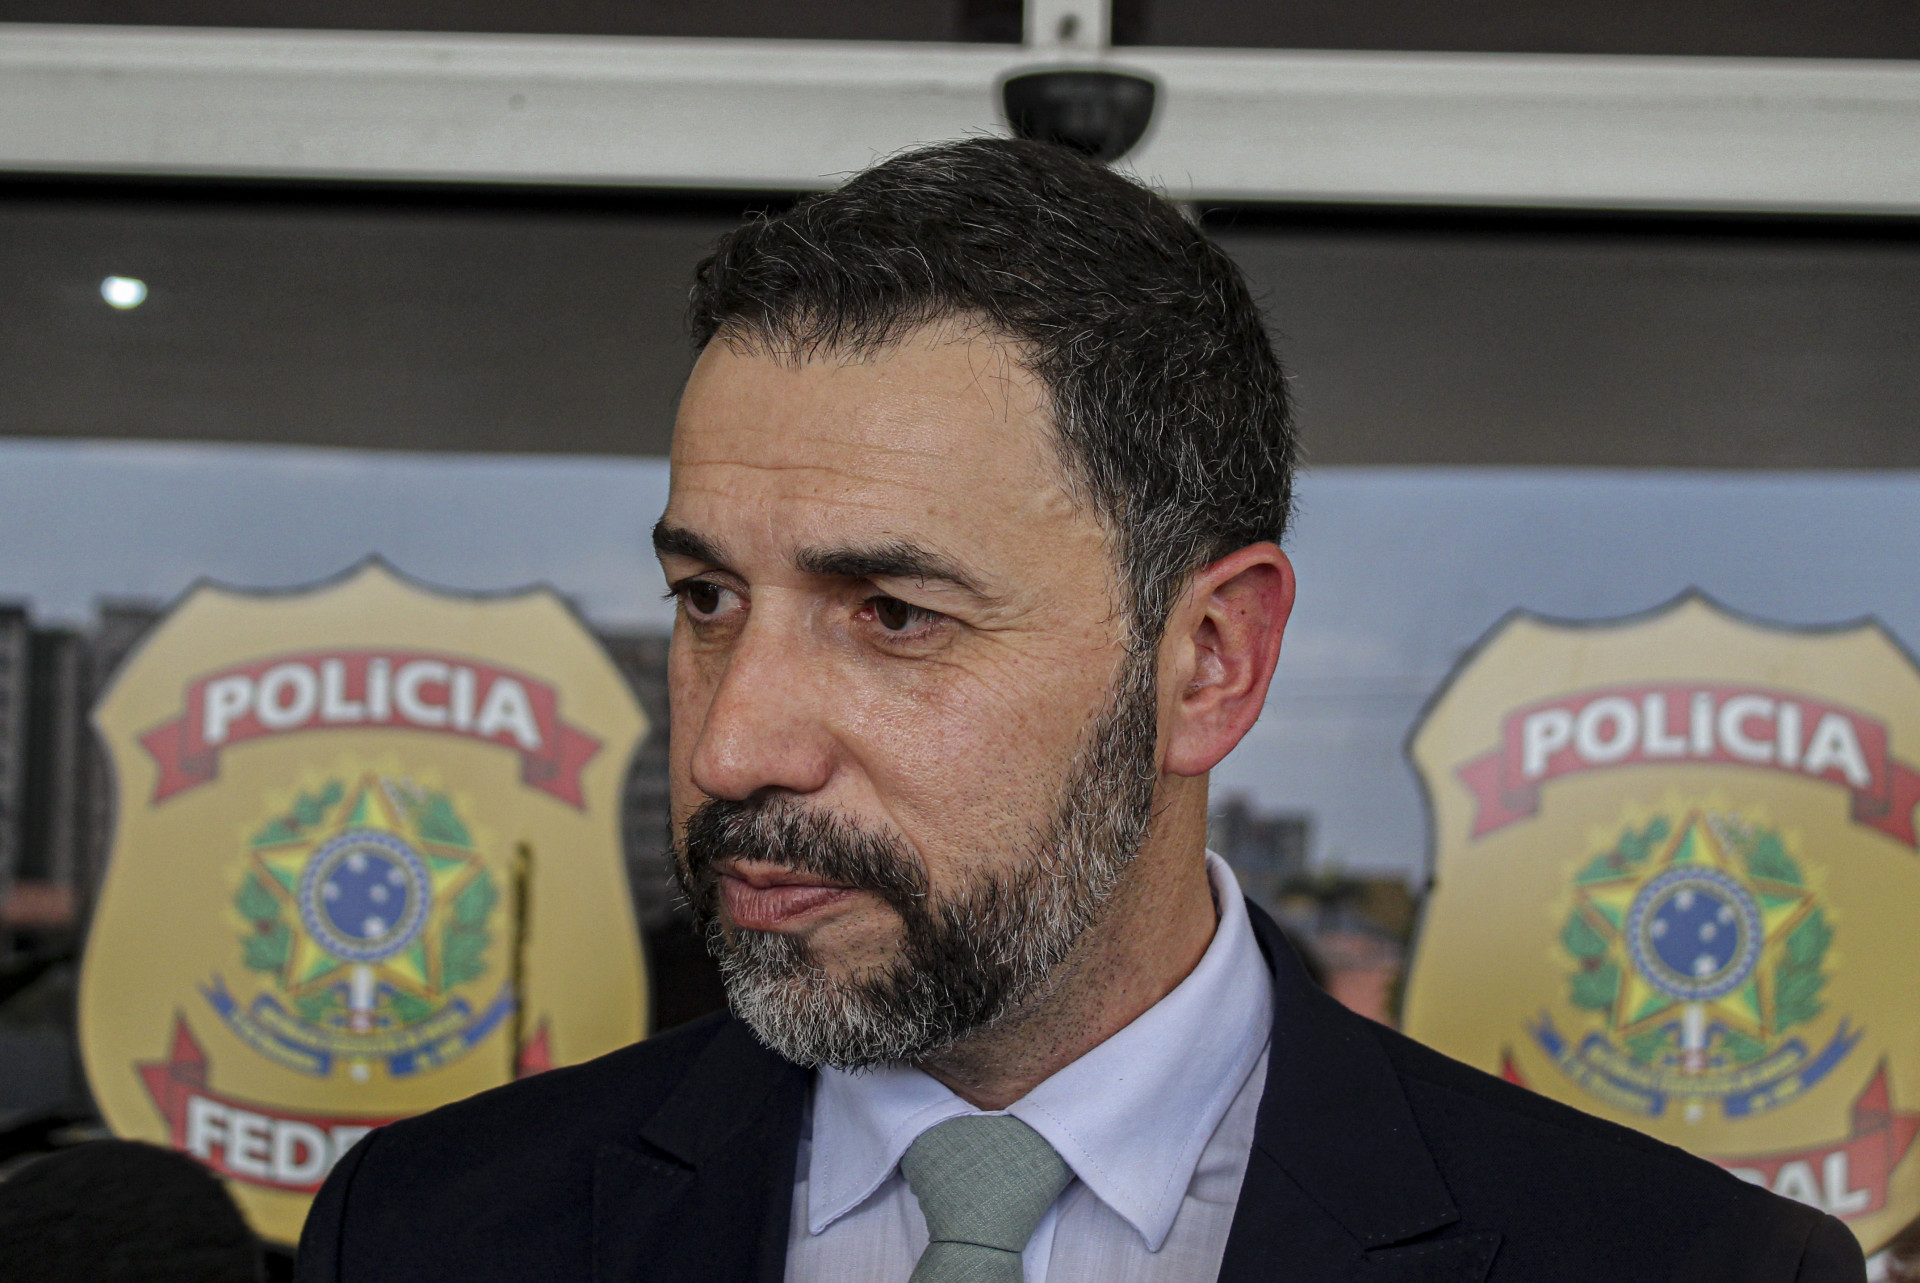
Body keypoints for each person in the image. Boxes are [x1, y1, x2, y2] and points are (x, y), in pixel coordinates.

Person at [297, 138, 1864, 1283]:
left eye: (893, 614)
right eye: (708, 598)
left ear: (1209, 662)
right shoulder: (432, 1233)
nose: (730, 746)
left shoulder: (1681, 1264)